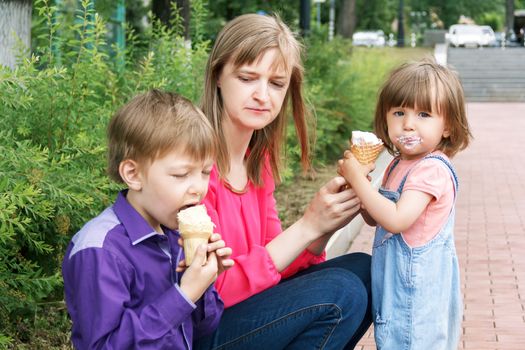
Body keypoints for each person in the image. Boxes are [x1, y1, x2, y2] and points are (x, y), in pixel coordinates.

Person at [194, 14, 372, 349]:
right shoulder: (193, 167)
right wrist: (306, 225)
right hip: (203, 329)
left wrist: (325, 225)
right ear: (218, 75)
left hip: (246, 313)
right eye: (248, 78)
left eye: (277, 83)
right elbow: (215, 290)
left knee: (367, 272)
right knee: (341, 293)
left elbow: (277, 267)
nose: (263, 95)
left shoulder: (256, 162)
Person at [62, 90, 234, 349]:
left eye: (205, 172)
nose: (198, 188)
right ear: (133, 174)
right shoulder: (101, 250)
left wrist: (203, 283)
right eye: (181, 175)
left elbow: (202, 330)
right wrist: (183, 294)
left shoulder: (174, 233)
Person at [338, 59, 472, 349]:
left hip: (417, 296)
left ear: (447, 126)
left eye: (423, 114)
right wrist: (360, 191)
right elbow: (378, 219)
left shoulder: (432, 169)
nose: (408, 124)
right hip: (396, 287)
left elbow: (397, 220)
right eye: (399, 112)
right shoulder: (398, 163)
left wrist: (359, 183)